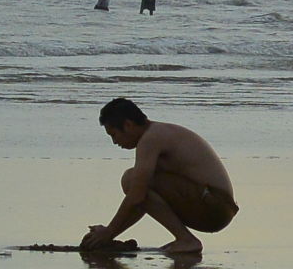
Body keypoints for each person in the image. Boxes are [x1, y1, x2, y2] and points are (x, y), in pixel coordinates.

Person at [83, 98, 236, 258]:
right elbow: (143, 202)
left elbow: (137, 195)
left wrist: (108, 231)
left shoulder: (151, 138)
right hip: (216, 208)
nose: (114, 142)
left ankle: (186, 240)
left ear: (128, 125)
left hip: (215, 206)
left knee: (130, 179)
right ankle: (185, 239)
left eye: (114, 135)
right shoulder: (155, 134)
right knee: (136, 182)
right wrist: (109, 235)